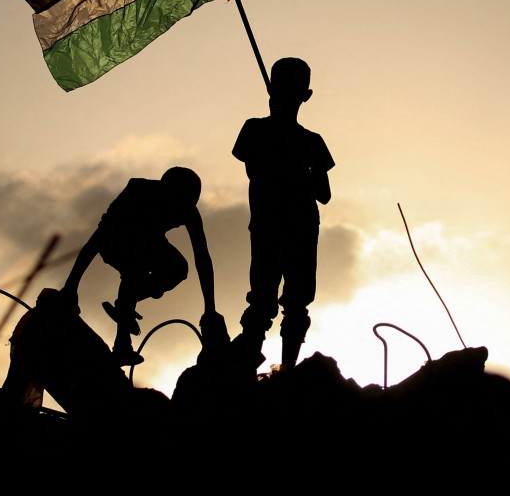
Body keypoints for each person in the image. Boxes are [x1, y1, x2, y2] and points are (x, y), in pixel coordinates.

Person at [230, 57, 335, 371]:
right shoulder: (257, 129)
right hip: (271, 226)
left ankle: (284, 369)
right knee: (266, 298)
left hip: (297, 227)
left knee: (289, 301)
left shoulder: (311, 142)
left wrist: (298, 170)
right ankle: (253, 368)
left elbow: (324, 194)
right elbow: (254, 171)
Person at [60, 166, 217, 366]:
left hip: (150, 241)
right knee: (135, 268)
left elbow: (202, 258)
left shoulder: (188, 211)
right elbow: (97, 239)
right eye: (173, 207)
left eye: (182, 209)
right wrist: (71, 286)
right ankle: (122, 343)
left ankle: (125, 308)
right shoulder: (137, 191)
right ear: (164, 193)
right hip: (114, 239)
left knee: (177, 268)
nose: (177, 214)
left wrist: (210, 308)